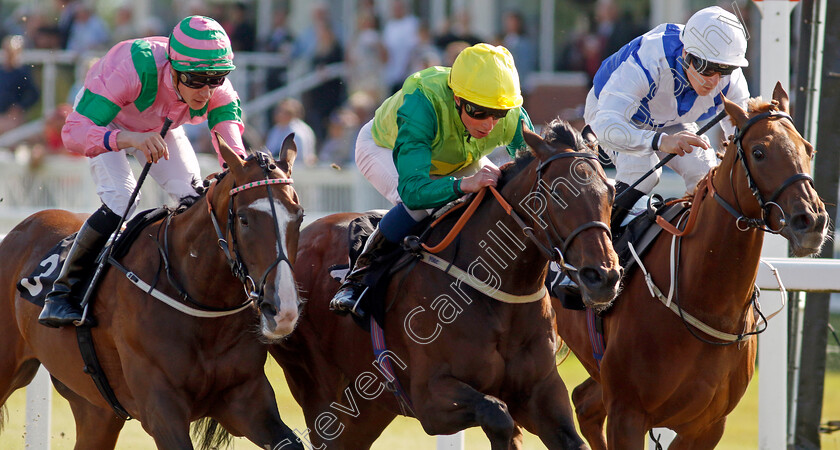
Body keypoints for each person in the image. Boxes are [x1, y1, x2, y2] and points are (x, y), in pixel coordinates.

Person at [39, 15, 248, 327]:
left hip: (157, 127)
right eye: (194, 79)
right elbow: (74, 133)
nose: (205, 91)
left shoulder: (215, 86)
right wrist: (128, 139)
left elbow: (232, 150)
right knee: (122, 200)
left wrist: (246, 177)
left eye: (216, 78)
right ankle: (62, 292)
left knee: (194, 198)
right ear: (174, 67)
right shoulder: (134, 67)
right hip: (105, 121)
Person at [330, 43, 534, 317]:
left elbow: (535, 172)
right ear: (457, 98)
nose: (489, 124)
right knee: (420, 207)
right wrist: (463, 184)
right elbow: (414, 190)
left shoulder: (510, 111)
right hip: (384, 148)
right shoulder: (422, 102)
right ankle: (358, 279)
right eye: (479, 112)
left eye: (498, 114)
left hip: (457, 157)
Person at [583, 6, 750, 228]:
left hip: (668, 120)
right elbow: (606, 125)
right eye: (706, 68)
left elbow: (742, 141)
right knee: (644, 169)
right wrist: (660, 141)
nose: (714, 80)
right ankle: (601, 244)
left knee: (705, 173)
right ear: (685, 53)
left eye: (725, 70)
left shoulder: (733, 82)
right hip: (612, 114)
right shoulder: (651, 60)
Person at [0, 35, 40, 134]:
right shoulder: (2, 71)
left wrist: (20, 107)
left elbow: (34, 94)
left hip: (12, 118)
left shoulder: (22, 73)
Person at [265, 98, 317, 167]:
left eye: (281, 112)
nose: (277, 114)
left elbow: (298, 158)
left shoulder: (299, 132)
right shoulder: (275, 129)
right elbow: (268, 151)